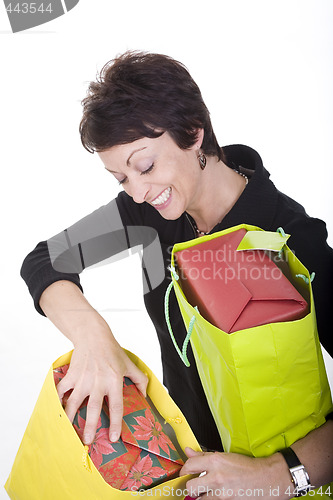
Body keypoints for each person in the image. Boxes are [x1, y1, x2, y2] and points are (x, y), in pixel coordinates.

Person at [21, 51, 333, 498]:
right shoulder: (153, 216)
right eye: (120, 179)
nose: (139, 192)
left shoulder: (287, 237)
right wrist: (96, 341)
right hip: (186, 475)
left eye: (144, 166)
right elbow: (44, 261)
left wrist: (277, 475)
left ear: (192, 133)